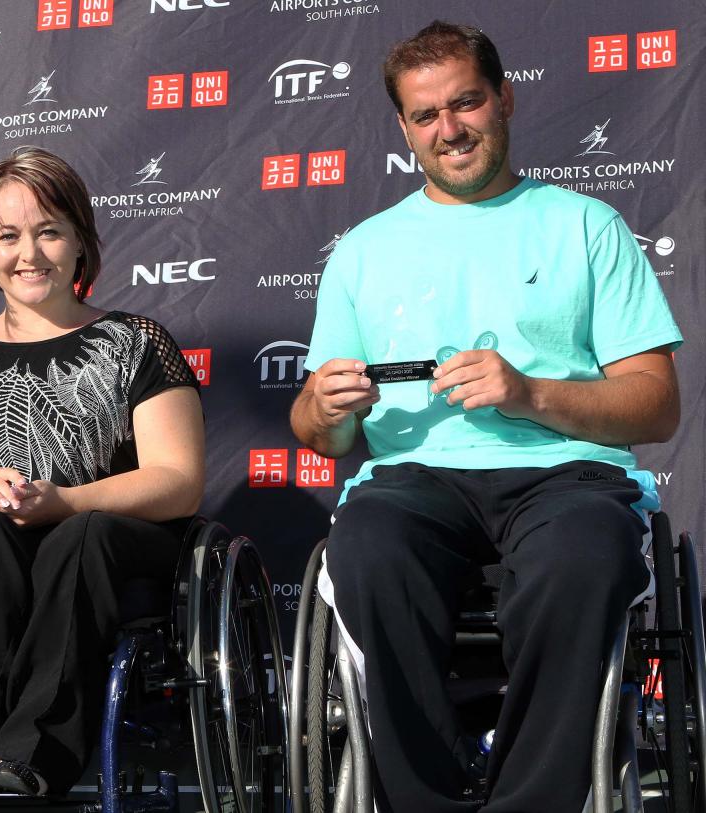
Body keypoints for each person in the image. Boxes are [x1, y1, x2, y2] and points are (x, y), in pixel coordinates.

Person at [289, 21, 682, 813]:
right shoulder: (363, 250)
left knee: (583, 557)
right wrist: (324, 408)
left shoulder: (586, 225)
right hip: (411, 480)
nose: (450, 129)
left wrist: (530, 392)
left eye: (465, 103)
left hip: (565, 475)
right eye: (426, 115)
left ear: (504, 99)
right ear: (404, 128)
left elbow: (659, 402)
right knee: (365, 549)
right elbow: (317, 433)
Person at [0, 147, 205, 798]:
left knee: (81, 535)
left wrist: (68, 500)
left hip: (101, 543)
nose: (29, 253)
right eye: (8, 235)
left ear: (81, 241)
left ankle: (34, 755)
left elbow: (179, 477)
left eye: (49, 230)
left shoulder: (138, 342)